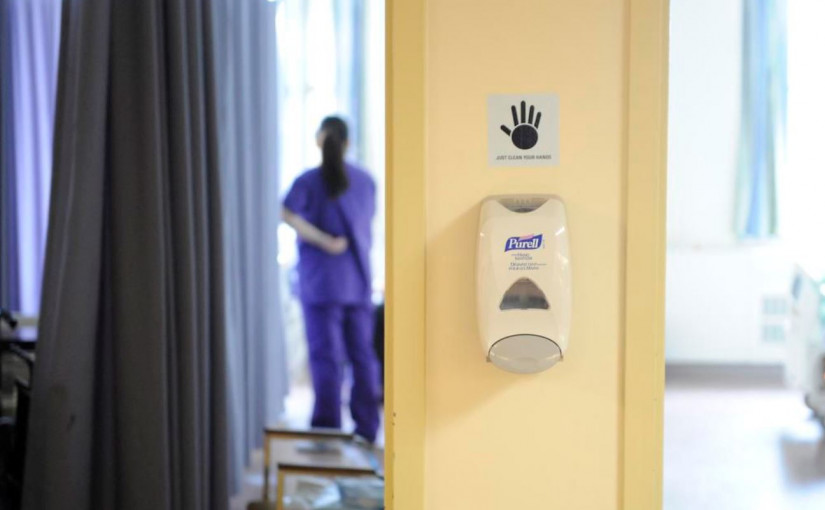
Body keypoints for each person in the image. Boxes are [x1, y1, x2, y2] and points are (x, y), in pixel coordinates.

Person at [282, 116, 380, 442]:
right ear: (348, 143)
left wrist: (322, 240)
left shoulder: (307, 181)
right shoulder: (366, 182)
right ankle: (367, 431)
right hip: (357, 282)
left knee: (326, 358)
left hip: (322, 284)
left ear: (318, 141)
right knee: (362, 356)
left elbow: (285, 213)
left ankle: (327, 434)